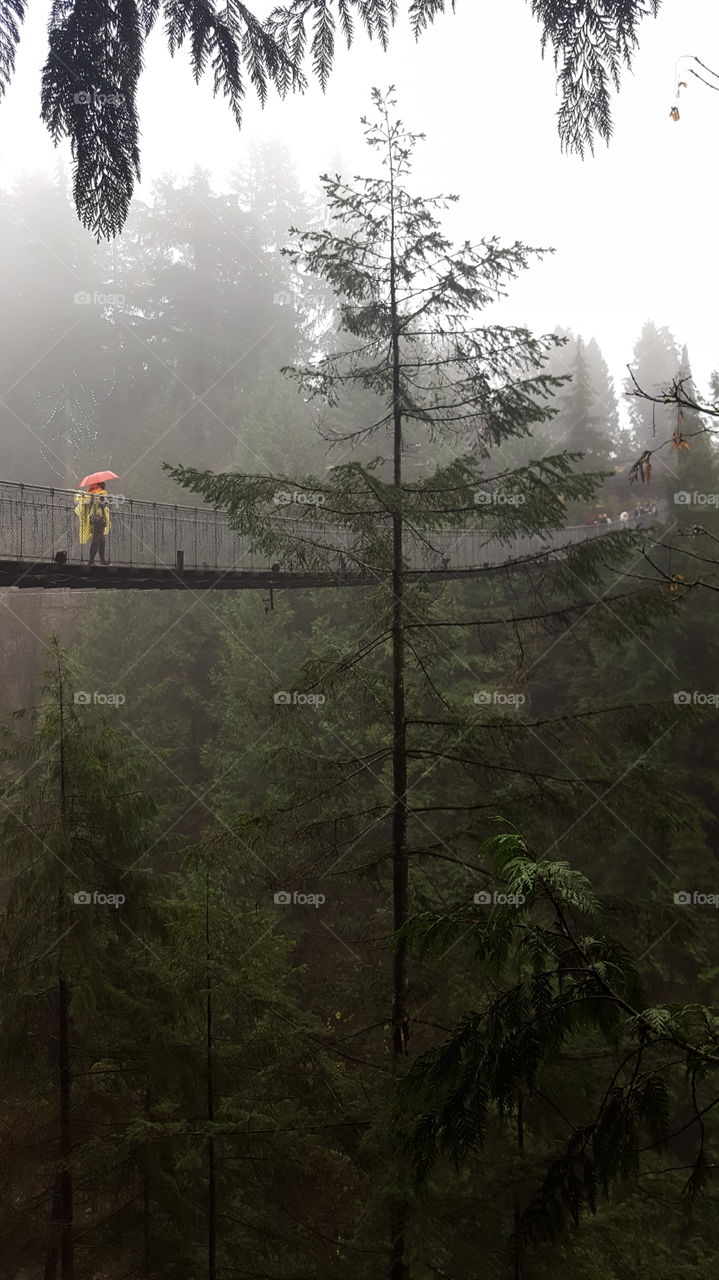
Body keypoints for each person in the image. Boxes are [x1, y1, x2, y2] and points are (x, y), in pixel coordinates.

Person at [75, 483, 111, 565]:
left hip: (101, 519)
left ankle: (99, 560)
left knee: (101, 540)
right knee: (97, 540)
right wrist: (99, 501)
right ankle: (93, 560)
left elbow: (102, 506)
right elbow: (90, 503)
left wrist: (104, 502)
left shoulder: (100, 493)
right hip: (96, 519)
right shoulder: (94, 493)